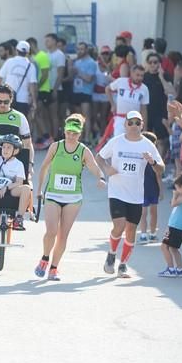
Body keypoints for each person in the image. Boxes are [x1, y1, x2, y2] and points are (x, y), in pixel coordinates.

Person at [34, 114, 106, 280]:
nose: (71, 136)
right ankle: (45, 258)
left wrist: (101, 178)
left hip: (73, 198)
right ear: (64, 131)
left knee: (62, 235)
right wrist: (39, 190)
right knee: (51, 231)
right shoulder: (55, 147)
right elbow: (44, 168)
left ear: (79, 134)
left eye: (75, 133)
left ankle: (54, 267)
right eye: (68, 132)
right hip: (52, 194)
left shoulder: (83, 151)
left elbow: (94, 167)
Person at [96, 110, 164, 278]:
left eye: (137, 122)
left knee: (132, 230)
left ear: (142, 125)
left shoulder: (148, 144)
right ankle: (112, 254)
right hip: (117, 192)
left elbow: (160, 168)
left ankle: (123, 265)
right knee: (119, 226)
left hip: (135, 195)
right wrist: (106, 168)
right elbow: (99, 156)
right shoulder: (117, 141)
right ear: (125, 124)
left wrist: (153, 162)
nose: (134, 125)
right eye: (130, 122)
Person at [0, 134, 32, 231]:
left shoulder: (18, 164)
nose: (5, 150)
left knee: (26, 188)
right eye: (3, 147)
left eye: (9, 147)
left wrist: (6, 187)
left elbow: (19, 182)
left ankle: (19, 219)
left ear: (16, 150)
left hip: (11, 189)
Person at [157, 173, 182, 277]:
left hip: (174, 225)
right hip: (181, 226)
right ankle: (179, 269)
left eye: (177, 188)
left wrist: (175, 195)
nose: (176, 190)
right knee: (174, 248)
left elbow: (173, 204)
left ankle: (170, 269)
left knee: (164, 246)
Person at [103, 65, 149, 140]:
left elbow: (144, 109)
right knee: (118, 139)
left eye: (142, 76)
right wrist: (113, 104)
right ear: (131, 73)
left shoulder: (144, 88)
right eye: (137, 75)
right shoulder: (121, 81)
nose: (140, 78)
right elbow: (107, 89)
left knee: (133, 141)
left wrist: (144, 127)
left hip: (135, 120)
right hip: (120, 118)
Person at [0, 40, 38, 117]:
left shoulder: (9, 62)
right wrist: (34, 101)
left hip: (7, 98)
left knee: (6, 122)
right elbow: (32, 85)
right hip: (23, 99)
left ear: (16, 50)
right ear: (28, 52)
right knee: (20, 123)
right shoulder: (31, 66)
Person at [138, 131, 162, 243]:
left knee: (153, 212)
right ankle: (144, 234)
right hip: (143, 189)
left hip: (152, 188)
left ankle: (152, 234)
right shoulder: (139, 157)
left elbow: (158, 176)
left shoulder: (155, 159)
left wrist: (161, 190)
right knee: (144, 213)